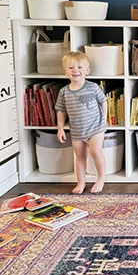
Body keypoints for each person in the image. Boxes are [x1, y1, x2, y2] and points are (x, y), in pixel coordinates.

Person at [56, 51, 107, 194]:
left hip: (96, 127)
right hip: (77, 131)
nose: (75, 71)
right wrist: (60, 128)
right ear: (65, 72)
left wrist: (105, 119)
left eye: (79, 67)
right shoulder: (64, 92)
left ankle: (101, 178)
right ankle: (81, 182)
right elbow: (61, 110)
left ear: (87, 71)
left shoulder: (92, 87)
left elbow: (103, 101)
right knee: (79, 156)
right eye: (71, 68)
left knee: (96, 152)